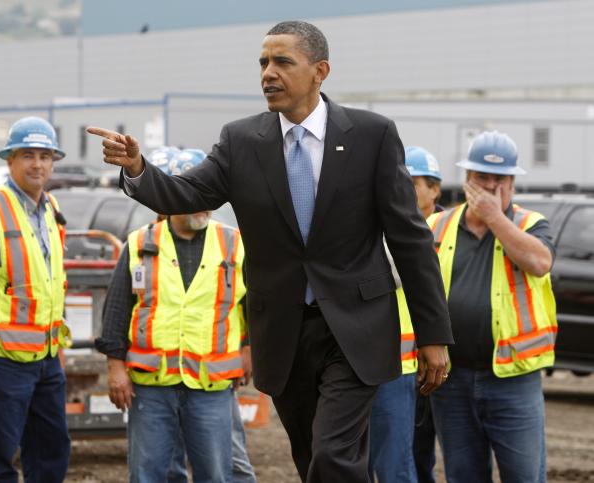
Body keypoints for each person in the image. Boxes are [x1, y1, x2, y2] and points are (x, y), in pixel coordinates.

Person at [88, 20, 453, 482]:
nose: (268, 73)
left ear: (320, 70)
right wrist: (139, 168)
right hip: (284, 332)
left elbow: (410, 239)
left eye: (283, 62)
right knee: (309, 458)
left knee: (334, 455)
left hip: (357, 329)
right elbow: (184, 195)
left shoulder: (372, 135)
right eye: (263, 62)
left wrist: (432, 335)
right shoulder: (242, 141)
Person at [95, 147, 251, 483]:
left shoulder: (234, 244)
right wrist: (115, 369)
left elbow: (252, 306)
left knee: (216, 474)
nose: (204, 203)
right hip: (152, 387)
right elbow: (118, 311)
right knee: (149, 474)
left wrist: (250, 351)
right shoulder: (139, 244)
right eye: (194, 194)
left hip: (210, 386)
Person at [427, 131, 557, 483]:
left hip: (513, 380)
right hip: (452, 379)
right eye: (481, 178)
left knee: (524, 476)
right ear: (467, 179)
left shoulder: (531, 225)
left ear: (512, 183)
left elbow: (540, 263)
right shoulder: (437, 226)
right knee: (463, 475)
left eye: (499, 180)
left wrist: (495, 218)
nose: (489, 187)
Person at [0, 117, 70, 482]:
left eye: (44, 155)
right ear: (10, 161)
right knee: (0, 459)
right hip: (1, 362)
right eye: (27, 155)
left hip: (46, 358)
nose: (37, 164)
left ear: (53, 161)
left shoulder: (51, 209)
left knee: (52, 451)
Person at [368, 146, 444, 483]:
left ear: (435, 189)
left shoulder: (445, 231)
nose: (403, 191)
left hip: (432, 363)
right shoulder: (383, 227)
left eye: (412, 184)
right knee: (393, 459)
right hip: (396, 362)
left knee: (416, 459)